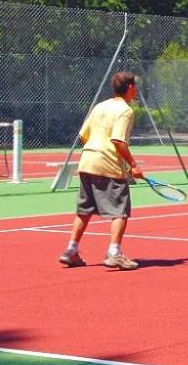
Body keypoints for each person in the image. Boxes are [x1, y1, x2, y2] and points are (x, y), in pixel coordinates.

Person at [59, 71, 144, 270]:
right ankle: (114, 253)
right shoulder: (125, 110)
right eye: (135, 86)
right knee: (120, 211)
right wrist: (133, 165)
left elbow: (84, 135)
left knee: (84, 210)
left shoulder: (100, 106)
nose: (137, 89)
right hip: (107, 165)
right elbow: (117, 140)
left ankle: (71, 250)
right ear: (129, 88)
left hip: (87, 161)